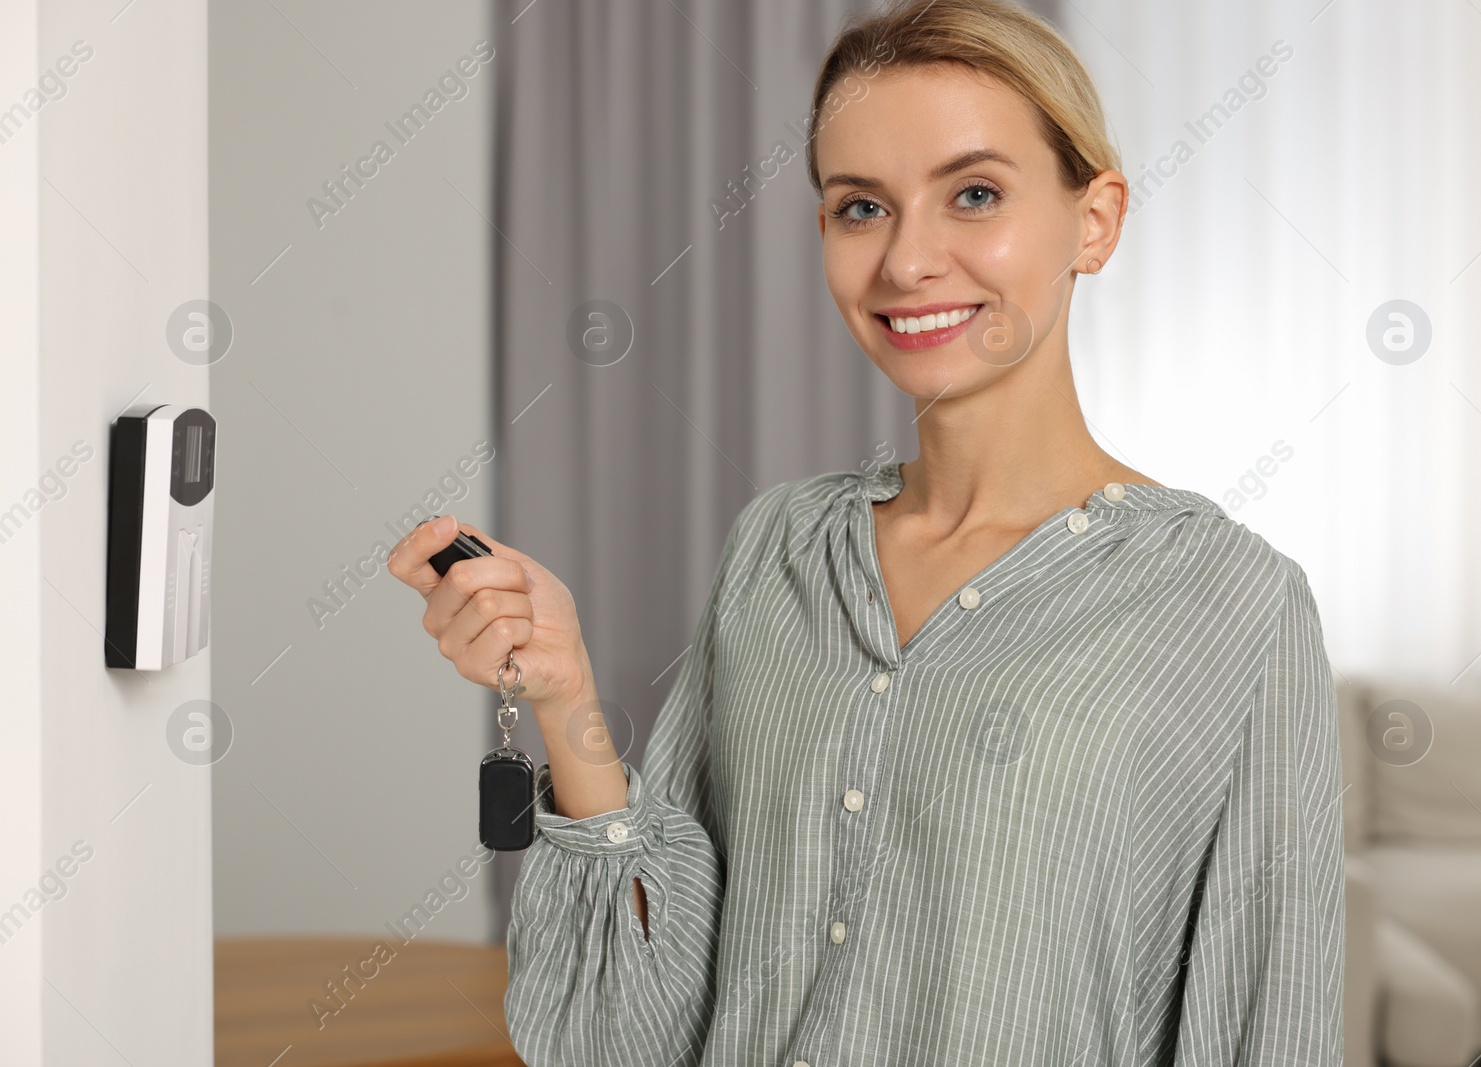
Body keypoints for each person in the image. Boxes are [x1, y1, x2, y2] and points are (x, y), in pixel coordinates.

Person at [386, 0, 1345, 1063]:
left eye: (973, 194)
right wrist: (567, 698)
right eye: (861, 208)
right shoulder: (779, 543)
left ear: (1096, 219)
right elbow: (637, 1029)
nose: (907, 262)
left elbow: (1269, 1024)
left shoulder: (1233, 603)